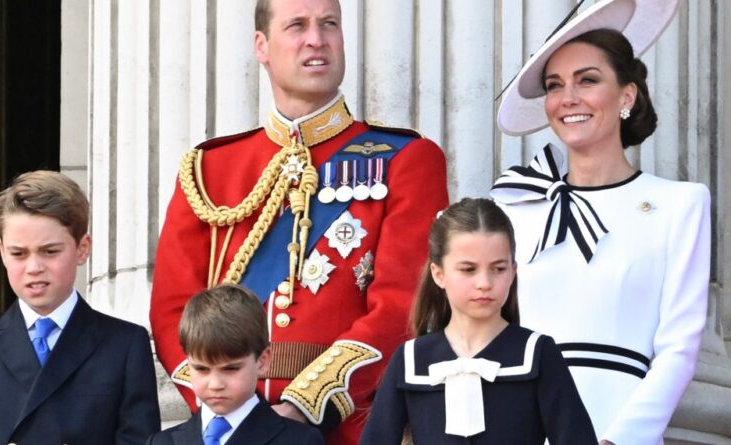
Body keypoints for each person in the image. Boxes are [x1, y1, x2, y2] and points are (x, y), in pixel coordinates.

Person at [150, 0, 448, 443]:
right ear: (262, 46)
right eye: (297, 26)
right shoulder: (209, 169)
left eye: (329, 24)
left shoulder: (405, 160)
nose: (317, 38)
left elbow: (404, 306)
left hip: (347, 429)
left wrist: (305, 404)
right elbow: (171, 310)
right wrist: (231, 408)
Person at [491, 1, 709, 444]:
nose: (567, 98)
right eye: (554, 86)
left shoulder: (680, 204)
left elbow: (679, 348)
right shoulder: (513, 207)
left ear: (626, 96)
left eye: (587, 80)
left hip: (620, 424)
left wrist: (619, 440)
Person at [0, 171, 161, 445]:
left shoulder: (124, 345)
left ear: (82, 248)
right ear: (2, 251)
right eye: (19, 253)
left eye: (50, 252)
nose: (34, 268)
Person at [359, 198, 596, 444]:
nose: (484, 282)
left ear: (514, 272)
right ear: (438, 274)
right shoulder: (410, 360)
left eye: (498, 269)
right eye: (468, 270)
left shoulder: (538, 354)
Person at [147, 284, 324, 445]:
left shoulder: (300, 441)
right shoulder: (161, 442)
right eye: (201, 369)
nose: (215, 384)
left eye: (231, 369)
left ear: (263, 361)